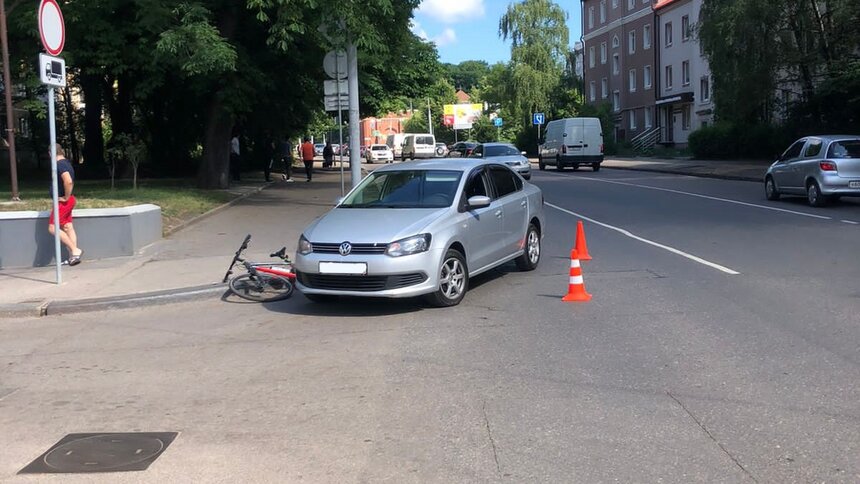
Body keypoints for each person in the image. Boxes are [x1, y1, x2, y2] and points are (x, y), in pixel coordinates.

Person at [47, 144, 83, 266]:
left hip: (63, 202)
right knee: (68, 227)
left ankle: (75, 250)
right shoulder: (66, 163)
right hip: (69, 201)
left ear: (50, 153)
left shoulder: (60, 165)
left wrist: (65, 197)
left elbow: (68, 181)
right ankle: (73, 257)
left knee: (52, 228)